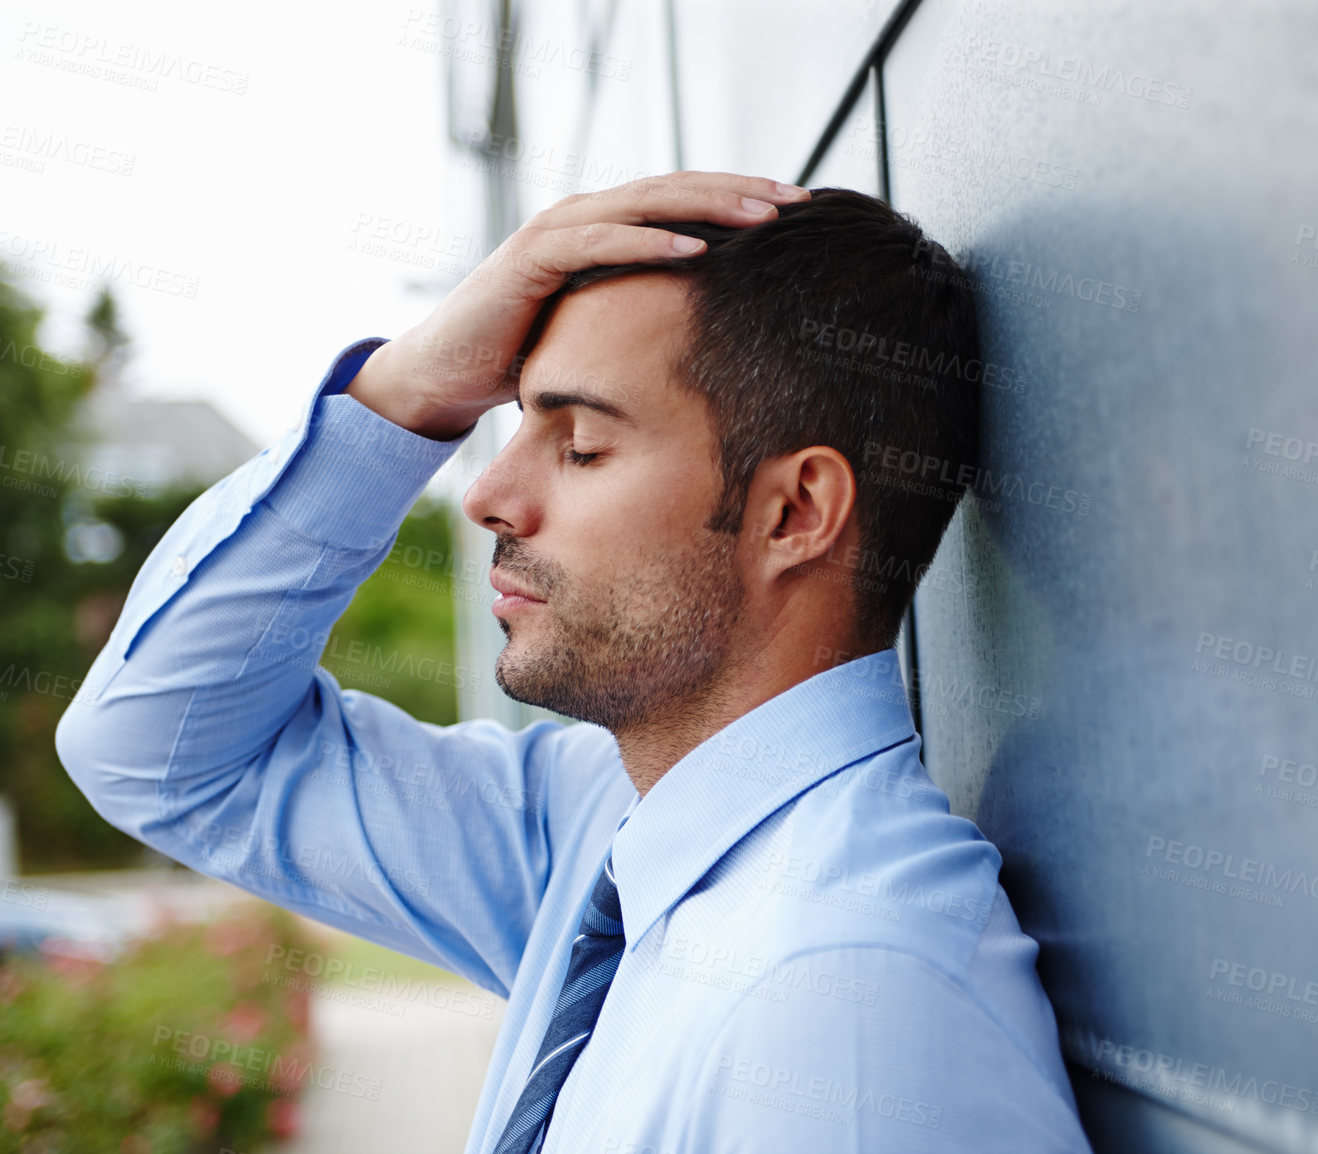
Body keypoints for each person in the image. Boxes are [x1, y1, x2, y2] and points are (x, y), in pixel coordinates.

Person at [57, 172, 1089, 1153]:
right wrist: (406, 391)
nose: (486, 493)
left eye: (581, 444)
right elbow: (162, 755)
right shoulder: (594, 829)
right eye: (513, 426)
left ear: (795, 513)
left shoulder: (846, 1000)